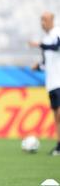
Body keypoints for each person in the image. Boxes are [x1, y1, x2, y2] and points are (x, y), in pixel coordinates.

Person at [28, 11, 60, 155]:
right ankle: (59, 145)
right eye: (41, 20)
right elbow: (47, 63)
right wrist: (38, 66)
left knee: (59, 114)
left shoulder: (57, 33)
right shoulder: (46, 38)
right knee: (55, 115)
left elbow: (56, 46)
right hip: (51, 83)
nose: (42, 22)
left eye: (45, 19)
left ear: (52, 20)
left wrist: (40, 44)